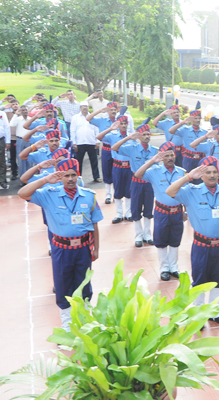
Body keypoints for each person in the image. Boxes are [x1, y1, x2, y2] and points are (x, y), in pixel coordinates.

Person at [18, 158, 102, 331]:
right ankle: (67, 326)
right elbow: (22, 193)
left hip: (83, 249)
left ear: (78, 175)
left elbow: (95, 225)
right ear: (60, 177)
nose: (70, 179)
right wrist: (44, 180)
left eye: (73, 175)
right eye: (65, 175)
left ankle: (86, 323)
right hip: (62, 249)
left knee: (84, 283)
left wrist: (96, 248)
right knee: (63, 285)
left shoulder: (89, 196)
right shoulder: (49, 193)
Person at [166, 157, 219, 326]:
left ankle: (214, 312)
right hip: (201, 245)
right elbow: (170, 191)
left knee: (217, 279)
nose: (212, 175)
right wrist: (188, 177)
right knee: (199, 279)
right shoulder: (191, 191)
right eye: (208, 172)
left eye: (214, 172)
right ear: (202, 175)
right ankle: (198, 315)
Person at [135, 142, 186, 281]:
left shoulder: (181, 172)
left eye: (171, 155)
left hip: (177, 212)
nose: (170, 158)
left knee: (175, 240)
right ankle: (164, 268)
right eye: (166, 156)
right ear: (161, 157)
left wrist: (186, 211)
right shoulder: (154, 171)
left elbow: (187, 192)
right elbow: (138, 175)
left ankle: (174, 267)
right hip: (162, 212)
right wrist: (152, 161)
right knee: (161, 239)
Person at [112, 122, 158, 247]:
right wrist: (128, 138)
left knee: (148, 210)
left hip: (149, 184)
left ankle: (147, 235)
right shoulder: (132, 148)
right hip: (136, 183)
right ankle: (138, 236)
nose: (147, 136)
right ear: (138, 136)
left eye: (148, 134)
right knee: (136, 209)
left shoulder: (155, 151)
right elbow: (114, 148)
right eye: (144, 134)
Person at [88, 101, 132, 203]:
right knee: (107, 171)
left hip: (120, 150)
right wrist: (99, 111)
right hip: (107, 148)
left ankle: (118, 193)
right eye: (110, 109)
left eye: (114, 109)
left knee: (119, 172)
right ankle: (108, 194)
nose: (112, 111)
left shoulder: (120, 120)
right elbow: (88, 119)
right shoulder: (102, 120)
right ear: (107, 111)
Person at [97, 116, 132, 223]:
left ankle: (128, 213)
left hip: (129, 167)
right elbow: (99, 137)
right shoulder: (112, 136)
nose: (124, 125)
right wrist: (110, 129)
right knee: (118, 189)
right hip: (117, 166)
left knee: (129, 190)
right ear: (118, 125)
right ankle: (119, 214)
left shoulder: (131, 137)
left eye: (125, 123)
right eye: (121, 123)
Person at [71, 102, 101, 182]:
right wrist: (74, 143)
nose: (84, 108)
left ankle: (96, 176)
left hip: (91, 142)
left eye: (86, 106)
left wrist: (97, 141)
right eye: (83, 106)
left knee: (94, 161)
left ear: (88, 108)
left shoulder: (93, 117)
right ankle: (78, 177)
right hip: (79, 143)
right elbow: (73, 130)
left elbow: (97, 130)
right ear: (80, 108)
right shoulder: (75, 118)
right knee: (78, 162)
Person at [169, 108, 206, 174]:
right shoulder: (185, 130)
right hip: (189, 158)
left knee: (200, 179)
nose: (197, 120)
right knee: (187, 178)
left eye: (199, 118)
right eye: (195, 118)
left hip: (200, 158)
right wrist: (182, 122)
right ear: (191, 119)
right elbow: (171, 131)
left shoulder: (204, 132)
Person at [11, 105, 31, 180]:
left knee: (30, 159)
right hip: (20, 140)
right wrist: (16, 114)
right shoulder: (18, 119)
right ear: (20, 111)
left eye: (25, 109)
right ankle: (23, 179)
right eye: (22, 110)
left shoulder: (31, 119)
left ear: (28, 110)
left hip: (30, 140)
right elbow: (12, 124)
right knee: (21, 160)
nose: (24, 111)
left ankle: (30, 179)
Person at [0, 108, 9, 189]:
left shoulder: (2, 113)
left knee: (2, 161)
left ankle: (2, 181)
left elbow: (6, 127)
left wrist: (8, 141)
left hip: (0, 140)